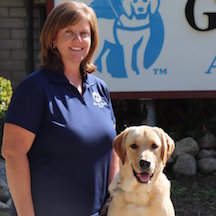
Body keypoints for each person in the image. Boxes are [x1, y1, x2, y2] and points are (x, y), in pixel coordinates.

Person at [1, 1, 119, 216]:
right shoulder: (35, 88)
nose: (78, 40)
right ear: (53, 39)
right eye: (69, 32)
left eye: (84, 33)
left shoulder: (99, 89)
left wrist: (113, 201)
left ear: (92, 40)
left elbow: (112, 150)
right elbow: (13, 152)